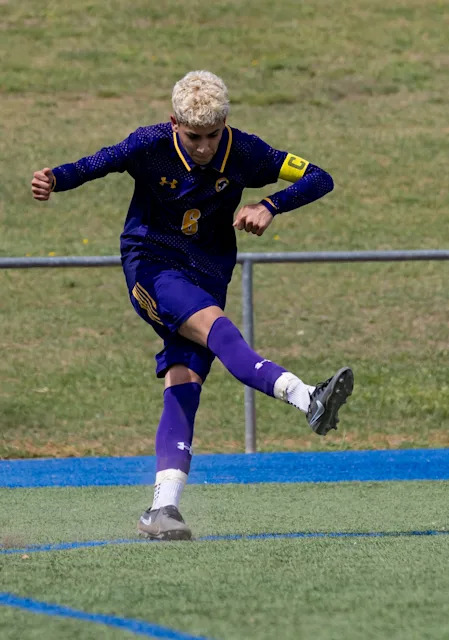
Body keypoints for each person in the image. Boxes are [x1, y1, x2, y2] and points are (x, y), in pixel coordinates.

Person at [30, 70, 354, 542]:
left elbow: (319, 177)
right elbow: (99, 162)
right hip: (152, 264)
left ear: (226, 125)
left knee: (185, 386)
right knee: (221, 332)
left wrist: (271, 204)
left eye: (212, 136)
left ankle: (163, 510)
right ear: (173, 123)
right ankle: (306, 397)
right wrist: (54, 179)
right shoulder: (149, 144)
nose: (204, 147)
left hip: (209, 271)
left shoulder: (245, 150)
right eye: (194, 137)